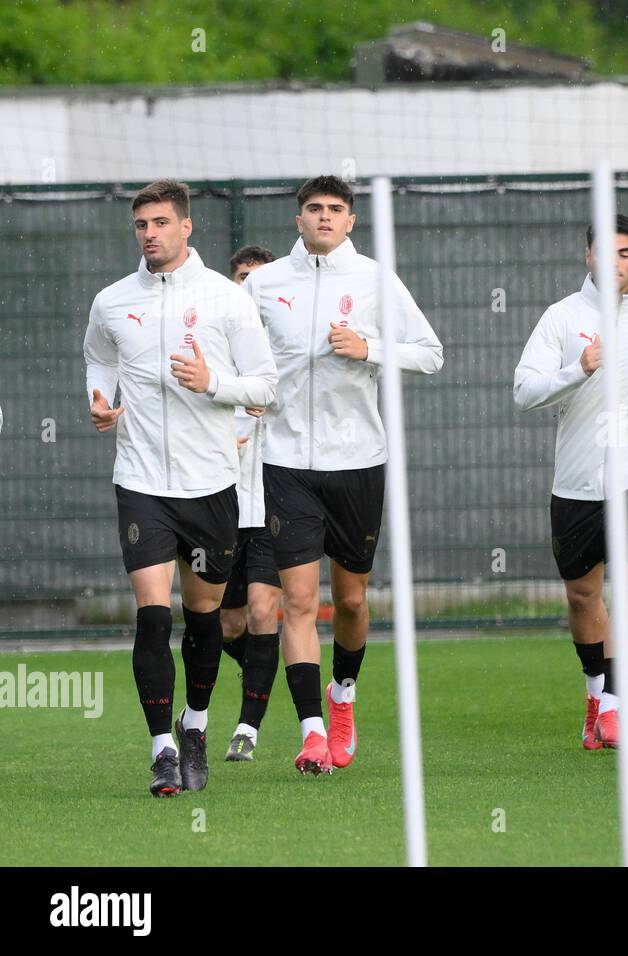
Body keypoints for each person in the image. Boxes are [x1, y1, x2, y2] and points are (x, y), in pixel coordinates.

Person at [242, 175, 444, 774]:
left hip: (358, 463)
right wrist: (241, 395)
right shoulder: (265, 283)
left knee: (351, 600)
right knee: (298, 601)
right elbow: (237, 357)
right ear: (297, 219)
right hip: (285, 463)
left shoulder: (376, 280)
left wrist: (371, 346)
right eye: (313, 209)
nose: (324, 217)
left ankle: (343, 699)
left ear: (351, 220)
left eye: (335, 209)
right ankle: (310, 734)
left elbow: (431, 352)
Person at [83, 179, 277, 795]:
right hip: (140, 480)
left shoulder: (226, 299)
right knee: (150, 616)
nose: (150, 233)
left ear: (186, 227)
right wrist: (99, 397)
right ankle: (162, 748)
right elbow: (98, 355)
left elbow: (266, 385)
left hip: (211, 484)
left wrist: (212, 381)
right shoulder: (113, 300)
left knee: (204, 620)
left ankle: (194, 725)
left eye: (161, 222)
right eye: (142, 224)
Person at [513, 215, 628, 750]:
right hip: (575, 482)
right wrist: (577, 368)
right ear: (589, 258)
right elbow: (524, 391)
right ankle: (596, 691)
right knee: (583, 596)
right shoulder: (562, 317)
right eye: (606, 253)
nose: (617, 263)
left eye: (626, 253)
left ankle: (618, 704)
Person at [219, 245, 282, 761]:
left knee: (265, 611)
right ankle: (263, 669)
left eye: (260, 280)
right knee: (227, 625)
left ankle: (248, 727)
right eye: (243, 278)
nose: (251, 288)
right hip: (220, 504)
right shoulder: (214, 347)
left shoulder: (288, 347)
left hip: (275, 506)